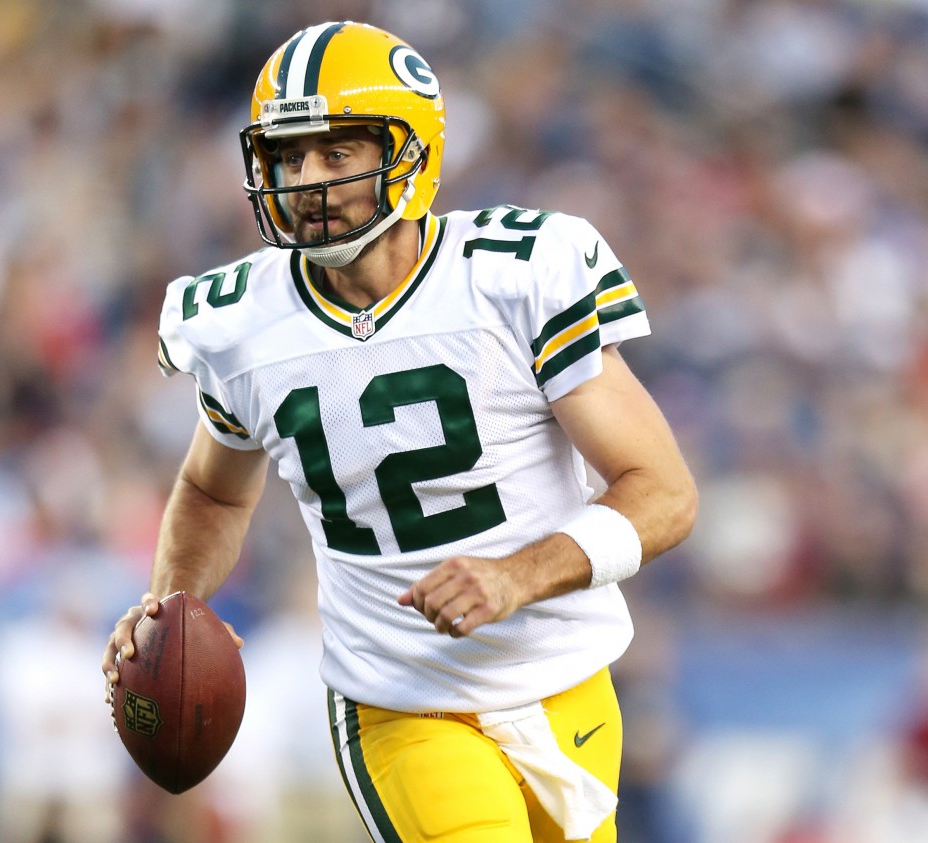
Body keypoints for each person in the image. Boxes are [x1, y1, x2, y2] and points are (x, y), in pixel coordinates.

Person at [102, 20, 697, 843]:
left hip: (567, 679)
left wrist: (516, 576)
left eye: (337, 153)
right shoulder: (244, 320)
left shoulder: (516, 276)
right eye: (287, 156)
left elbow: (664, 493)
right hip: (400, 701)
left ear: (412, 152)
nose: (306, 179)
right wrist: (171, 605)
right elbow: (210, 487)